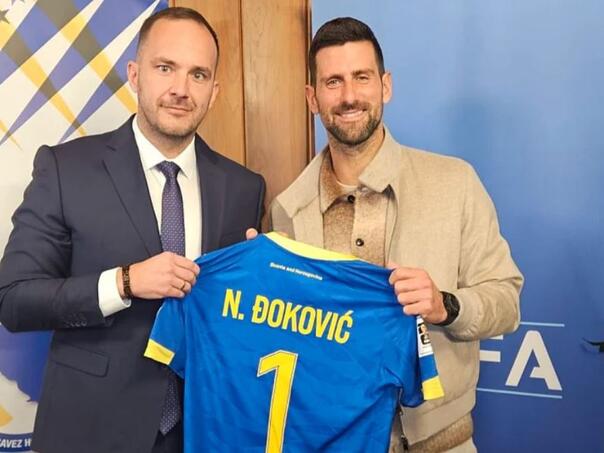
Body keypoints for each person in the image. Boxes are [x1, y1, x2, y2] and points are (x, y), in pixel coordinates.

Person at [0, 7, 265, 453]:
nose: (181, 89)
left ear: (214, 91)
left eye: (198, 75)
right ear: (135, 75)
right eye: (165, 68)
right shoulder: (66, 170)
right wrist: (123, 282)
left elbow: (242, 320)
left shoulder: (244, 188)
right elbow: (13, 299)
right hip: (90, 434)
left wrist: (261, 281)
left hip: (202, 433)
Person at [270, 17, 523, 452]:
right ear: (312, 98)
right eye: (333, 82)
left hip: (442, 442)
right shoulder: (286, 211)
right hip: (332, 440)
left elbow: (506, 301)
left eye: (361, 77)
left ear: (385, 86)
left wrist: (445, 305)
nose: (349, 96)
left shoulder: (456, 183)